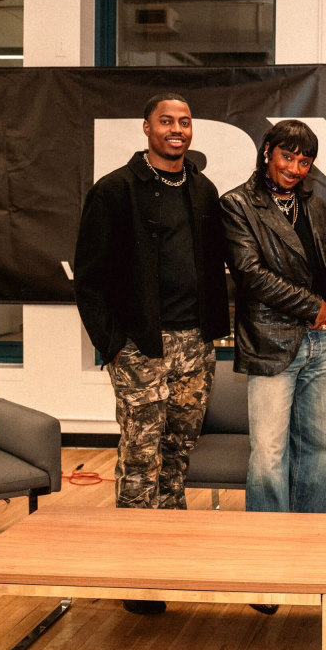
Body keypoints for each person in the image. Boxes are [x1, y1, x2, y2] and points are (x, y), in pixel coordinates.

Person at [74, 92, 229, 615]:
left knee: (177, 458)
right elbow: (89, 278)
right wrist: (114, 346)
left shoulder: (203, 190)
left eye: (185, 122)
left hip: (194, 346)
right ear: (146, 128)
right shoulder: (115, 191)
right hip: (141, 347)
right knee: (141, 458)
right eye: (167, 121)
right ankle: (137, 576)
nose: (177, 129)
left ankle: (169, 559)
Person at [220, 120, 326, 520]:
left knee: (321, 446)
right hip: (271, 342)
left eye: (304, 161)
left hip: (322, 344)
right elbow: (251, 274)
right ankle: (267, 540)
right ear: (267, 151)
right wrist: (313, 307)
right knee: (270, 451)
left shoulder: (314, 205)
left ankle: (310, 531)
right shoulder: (237, 204)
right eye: (287, 157)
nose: (294, 168)